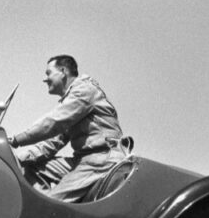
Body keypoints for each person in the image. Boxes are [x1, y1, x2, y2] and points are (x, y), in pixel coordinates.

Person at [9, 55, 127, 202]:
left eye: (48, 73)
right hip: (84, 159)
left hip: (102, 158)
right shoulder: (71, 101)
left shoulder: (84, 90)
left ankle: (49, 206)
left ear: (63, 71)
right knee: (30, 168)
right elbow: (52, 142)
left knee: (51, 204)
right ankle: (43, 202)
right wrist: (14, 157)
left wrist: (16, 140)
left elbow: (53, 123)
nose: (45, 79)